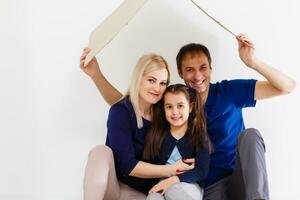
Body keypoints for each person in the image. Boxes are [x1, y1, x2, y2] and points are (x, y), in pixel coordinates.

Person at [80, 33, 296, 200]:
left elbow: (287, 87)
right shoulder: (173, 105)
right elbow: (128, 103)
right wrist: (96, 76)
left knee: (250, 135)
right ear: (181, 74)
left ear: (211, 68)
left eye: (203, 67)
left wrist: (252, 61)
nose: (198, 75)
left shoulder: (230, 92)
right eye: (190, 70)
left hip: (230, 177)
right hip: (199, 184)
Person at [80, 53, 195, 200]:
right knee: (100, 152)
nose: (157, 88)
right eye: (151, 80)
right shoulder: (121, 112)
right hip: (114, 188)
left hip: (144, 194)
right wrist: (171, 170)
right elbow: (128, 165)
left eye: (162, 83)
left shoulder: (165, 112)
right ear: (138, 78)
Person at [143, 84, 212, 200]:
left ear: (190, 107)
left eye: (180, 106)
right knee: (152, 198)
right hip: (161, 183)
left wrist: (173, 180)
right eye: (169, 107)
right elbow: (149, 164)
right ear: (164, 109)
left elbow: (201, 170)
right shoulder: (157, 135)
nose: (175, 112)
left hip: (189, 184)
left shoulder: (198, 135)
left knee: (173, 190)